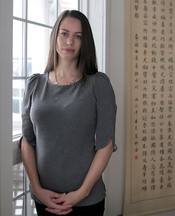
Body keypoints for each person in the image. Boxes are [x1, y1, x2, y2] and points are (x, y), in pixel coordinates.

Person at [20, 10, 117, 216]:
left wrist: (81, 193)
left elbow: (106, 144)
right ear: (55, 36)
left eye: (78, 36)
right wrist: (37, 189)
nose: (70, 41)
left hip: (87, 201)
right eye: (64, 33)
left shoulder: (98, 84)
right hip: (44, 199)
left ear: (85, 42)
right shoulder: (35, 84)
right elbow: (28, 141)